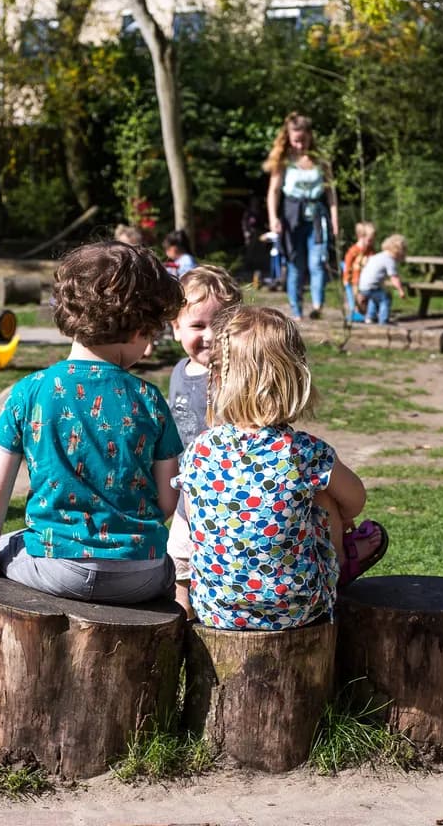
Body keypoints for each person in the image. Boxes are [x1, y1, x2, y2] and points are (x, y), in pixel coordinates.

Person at [0, 241, 185, 724]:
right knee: (171, 567)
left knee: (2, 548)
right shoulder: (149, 399)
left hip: (54, 564)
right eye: (149, 332)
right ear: (133, 326)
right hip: (142, 572)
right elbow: (168, 500)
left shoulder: (29, 392)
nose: (150, 347)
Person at [172, 306, 388, 629]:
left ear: (217, 379)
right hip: (297, 609)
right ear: (296, 378)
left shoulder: (200, 449)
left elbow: (191, 517)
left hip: (215, 609)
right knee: (326, 497)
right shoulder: (306, 452)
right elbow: (356, 499)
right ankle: (341, 564)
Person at [265, 113, 339, 320]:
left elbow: (331, 192)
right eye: (295, 140)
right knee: (295, 264)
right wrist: (273, 218)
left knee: (317, 262)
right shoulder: (283, 161)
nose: (299, 145)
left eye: (303, 140)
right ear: (288, 137)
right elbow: (274, 191)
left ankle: (317, 306)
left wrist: (335, 219)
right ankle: (296, 310)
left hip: (316, 218)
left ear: (310, 136)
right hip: (292, 217)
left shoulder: (320, 160)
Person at [168, 266, 243, 448]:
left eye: (221, 324)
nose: (210, 335)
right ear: (176, 328)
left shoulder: (238, 376)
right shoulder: (179, 370)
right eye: (198, 326)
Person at [356, 234, 408, 326]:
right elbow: (394, 277)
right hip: (371, 286)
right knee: (386, 298)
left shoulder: (379, 256)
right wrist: (400, 290)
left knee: (375, 297)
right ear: (398, 251)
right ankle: (384, 320)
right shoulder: (389, 259)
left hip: (363, 286)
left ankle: (370, 317)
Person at [341, 221, 376, 322]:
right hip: (354, 280)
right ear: (361, 236)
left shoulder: (370, 250)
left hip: (365, 280)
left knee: (363, 298)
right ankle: (355, 312)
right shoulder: (353, 251)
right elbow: (347, 265)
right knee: (354, 297)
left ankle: (365, 313)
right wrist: (346, 278)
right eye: (369, 240)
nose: (371, 242)